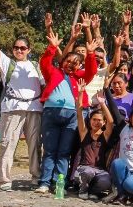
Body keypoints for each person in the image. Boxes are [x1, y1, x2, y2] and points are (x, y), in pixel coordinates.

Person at [35, 27, 98, 194]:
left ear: (79, 66)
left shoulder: (80, 77)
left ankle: (58, 183)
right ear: (63, 62)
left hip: (72, 116)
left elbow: (92, 71)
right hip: (51, 113)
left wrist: (91, 54)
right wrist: (52, 47)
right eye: (68, 61)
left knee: (64, 152)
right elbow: (44, 63)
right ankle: (44, 182)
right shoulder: (53, 72)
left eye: (75, 63)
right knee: (49, 150)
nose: (71, 64)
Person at [0, 18, 44, 191]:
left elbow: (45, 84)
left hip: (34, 108)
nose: (19, 50)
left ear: (29, 50)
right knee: (7, 143)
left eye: (23, 48)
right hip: (12, 108)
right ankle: (4, 180)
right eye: (16, 48)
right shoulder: (8, 64)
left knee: (35, 145)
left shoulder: (36, 66)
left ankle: (37, 176)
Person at [73, 80, 115, 199]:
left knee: (106, 180)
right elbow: (79, 112)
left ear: (103, 122)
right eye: (94, 120)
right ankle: (83, 190)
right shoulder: (84, 132)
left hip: (100, 170)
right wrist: (80, 93)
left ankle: (93, 192)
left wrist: (102, 103)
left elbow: (111, 122)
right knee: (88, 172)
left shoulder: (104, 135)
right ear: (90, 121)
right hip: (83, 169)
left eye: (99, 120)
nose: (96, 123)